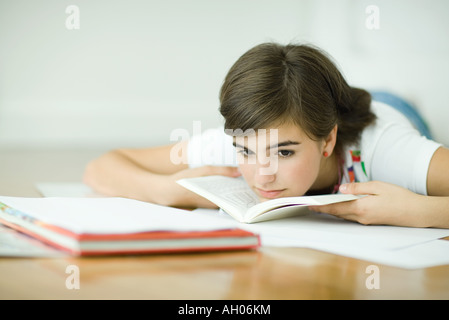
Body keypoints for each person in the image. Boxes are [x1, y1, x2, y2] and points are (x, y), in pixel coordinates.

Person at [83, 42, 449, 228]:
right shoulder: (237, 142)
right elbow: (100, 168)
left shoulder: (385, 149)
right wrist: (169, 190)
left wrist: (418, 210)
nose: (262, 173)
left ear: (328, 141)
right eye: (246, 151)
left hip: (386, 110)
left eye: (284, 153)